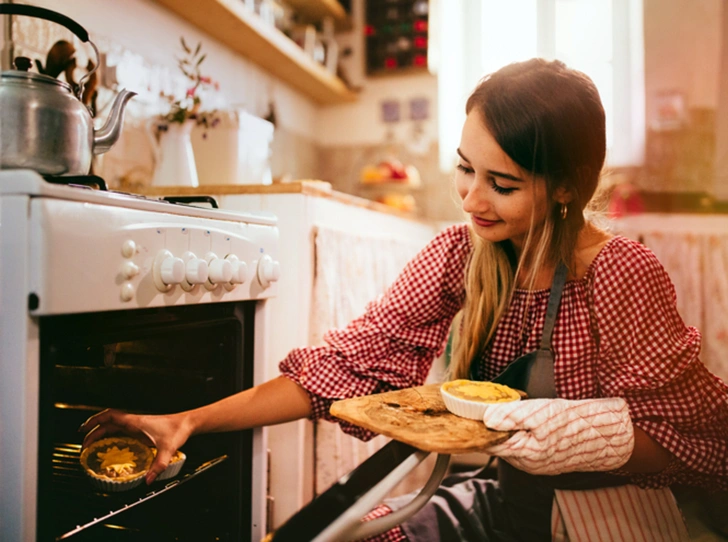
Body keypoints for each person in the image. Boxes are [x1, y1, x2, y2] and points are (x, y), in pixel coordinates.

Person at [81, 58, 728, 541]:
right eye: (465, 168)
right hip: (505, 500)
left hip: (605, 516)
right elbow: (351, 366)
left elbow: (702, 439)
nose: (471, 198)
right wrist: (187, 420)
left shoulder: (619, 275)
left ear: (565, 187)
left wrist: (582, 436)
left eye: (501, 183)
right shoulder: (461, 252)